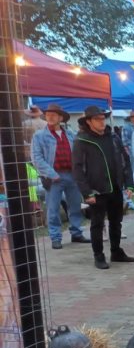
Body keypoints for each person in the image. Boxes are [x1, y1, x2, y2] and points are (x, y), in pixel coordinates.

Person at [71, 106, 134, 269]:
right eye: (97, 119)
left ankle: (116, 251)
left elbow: (125, 160)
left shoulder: (113, 137)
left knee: (116, 222)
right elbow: (77, 169)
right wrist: (86, 192)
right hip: (96, 190)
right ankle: (98, 256)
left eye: (103, 118)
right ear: (88, 121)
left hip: (115, 186)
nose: (102, 122)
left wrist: (129, 183)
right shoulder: (82, 140)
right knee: (97, 224)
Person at [31, 104, 91, 249]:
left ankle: (76, 233)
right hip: (53, 176)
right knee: (53, 208)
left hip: (72, 174)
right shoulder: (39, 136)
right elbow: (36, 158)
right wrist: (51, 174)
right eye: (48, 115)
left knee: (75, 206)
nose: (50, 117)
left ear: (60, 118)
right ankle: (55, 237)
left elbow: (79, 154)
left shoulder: (70, 134)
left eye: (53, 115)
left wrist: (80, 172)